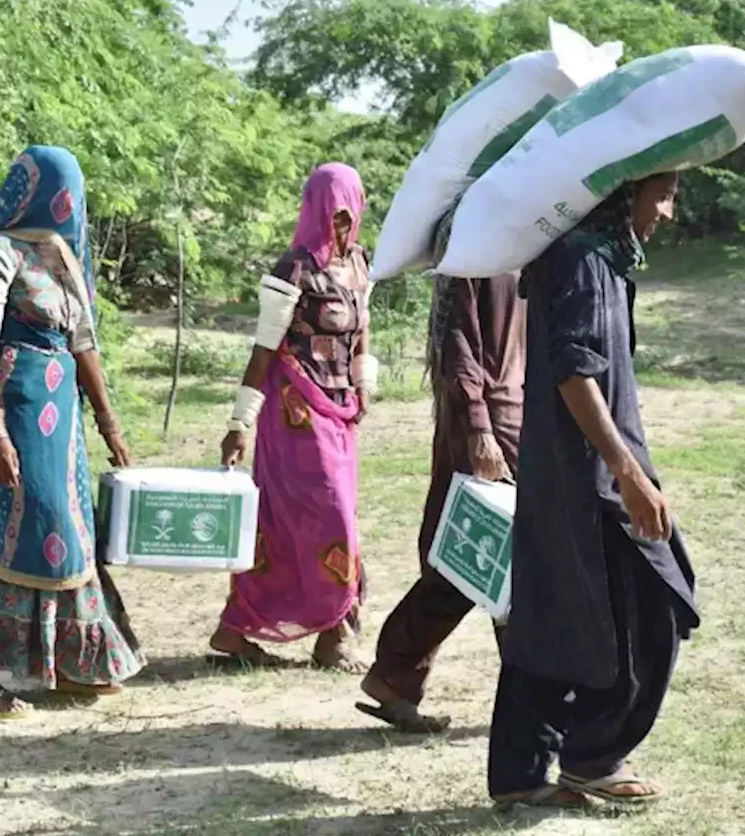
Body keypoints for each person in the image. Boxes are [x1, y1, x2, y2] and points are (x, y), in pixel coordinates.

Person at [487, 172, 700, 809]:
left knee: (555, 613)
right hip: (592, 481)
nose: (666, 211)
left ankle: (523, 774)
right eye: (661, 193)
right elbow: (575, 372)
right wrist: (628, 473)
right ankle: (592, 755)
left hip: (577, 476)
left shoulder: (597, 259)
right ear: (621, 192)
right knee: (654, 604)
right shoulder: (582, 260)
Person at [0, 145, 143, 720]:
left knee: (75, 535)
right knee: (33, 531)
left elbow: (83, 343)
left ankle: (77, 664)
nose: (69, 203)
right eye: (61, 189)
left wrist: (109, 423)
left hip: (63, 422)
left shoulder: (62, 255)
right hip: (18, 411)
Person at [358, 205, 525, 733]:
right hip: (487, 416)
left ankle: (396, 672)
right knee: (500, 556)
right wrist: (478, 426)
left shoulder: (530, 216)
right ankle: (530, 699)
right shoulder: (476, 224)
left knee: (472, 557)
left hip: (510, 411)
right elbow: (458, 336)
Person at [211, 163, 377, 672]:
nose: (342, 223)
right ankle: (331, 633)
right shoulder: (294, 271)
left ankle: (235, 631)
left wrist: (364, 382)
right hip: (295, 414)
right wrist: (241, 422)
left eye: (349, 212)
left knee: (317, 520)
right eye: (334, 213)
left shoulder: (361, 264)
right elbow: (263, 352)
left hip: (340, 412)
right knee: (326, 521)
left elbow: (363, 330)